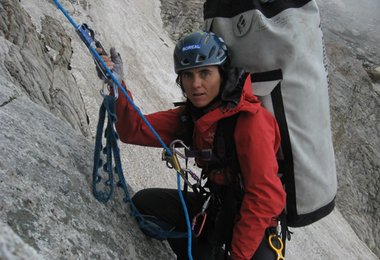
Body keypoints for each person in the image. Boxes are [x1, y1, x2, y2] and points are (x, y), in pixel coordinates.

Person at [98, 31, 286, 260]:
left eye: (205, 73)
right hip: (217, 209)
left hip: (254, 223)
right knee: (144, 204)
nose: (196, 84)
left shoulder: (251, 121)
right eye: (188, 75)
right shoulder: (192, 117)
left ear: (222, 73)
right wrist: (117, 85)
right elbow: (134, 130)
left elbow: (265, 196)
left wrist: (239, 256)